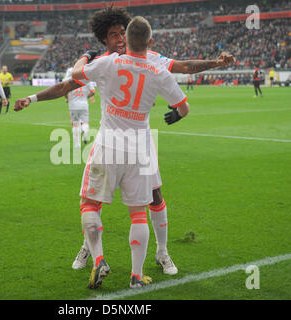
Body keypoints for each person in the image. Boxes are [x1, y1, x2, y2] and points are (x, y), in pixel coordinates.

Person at [14, 7, 235, 276]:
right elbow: (65, 87)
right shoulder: (105, 62)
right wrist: (32, 98)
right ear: (104, 40)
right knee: (99, 200)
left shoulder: (146, 57)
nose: (119, 38)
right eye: (112, 34)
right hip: (117, 139)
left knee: (153, 196)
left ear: (129, 35)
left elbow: (185, 66)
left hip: (139, 141)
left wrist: (216, 63)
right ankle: (91, 248)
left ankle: (162, 252)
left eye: (122, 33)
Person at [71, 16, 190, 288]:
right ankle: (136, 277)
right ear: (149, 42)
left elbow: (77, 75)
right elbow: (184, 108)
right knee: (138, 212)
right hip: (139, 149)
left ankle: (99, 258)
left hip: (108, 144)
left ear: (126, 38)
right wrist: (177, 114)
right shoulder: (158, 71)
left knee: (89, 204)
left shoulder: (108, 62)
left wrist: (83, 57)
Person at [63, 67, 95, 148]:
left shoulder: (69, 80)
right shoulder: (86, 79)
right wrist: (85, 97)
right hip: (84, 104)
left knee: (75, 124)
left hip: (73, 105)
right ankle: (85, 133)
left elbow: (64, 91)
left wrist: (67, 98)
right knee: (85, 122)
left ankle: (77, 145)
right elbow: (93, 92)